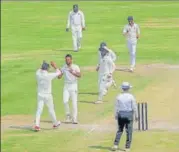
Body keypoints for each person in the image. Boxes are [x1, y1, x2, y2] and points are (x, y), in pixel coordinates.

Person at [34, 61, 61, 131]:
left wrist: (43, 65)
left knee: (39, 110)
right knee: (51, 110)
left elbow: (40, 69)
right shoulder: (49, 75)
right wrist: (55, 66)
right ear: (47, 69)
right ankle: (55, 123)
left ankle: (37, 125)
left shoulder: (37, 74)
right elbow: (59, 73)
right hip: (48, 95)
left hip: (40, 94)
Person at [111, 82, 138, 152]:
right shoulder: (131, 96)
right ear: (128, 89)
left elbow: (116, 107)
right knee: (129, 131)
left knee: (120, 130)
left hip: (121, 114)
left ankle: (115, 145)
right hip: (129, 114)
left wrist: (116, 115)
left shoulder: (119, 96)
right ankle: (127, 147)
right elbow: (134, 107)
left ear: (122, 88)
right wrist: (136, 115)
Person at [58, 54, 81, 124]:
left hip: (73, 86)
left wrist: (73, 72)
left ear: (71, 60)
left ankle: (74, 119)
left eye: (68, 59)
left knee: (74, 103)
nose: (67, 61)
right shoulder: (64, 67)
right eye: (66, 59)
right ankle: (68, 116)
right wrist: (59, 72)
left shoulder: (75, 67)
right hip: (66, 86)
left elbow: (80, 75)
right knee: (65, 101)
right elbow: (59, 77)